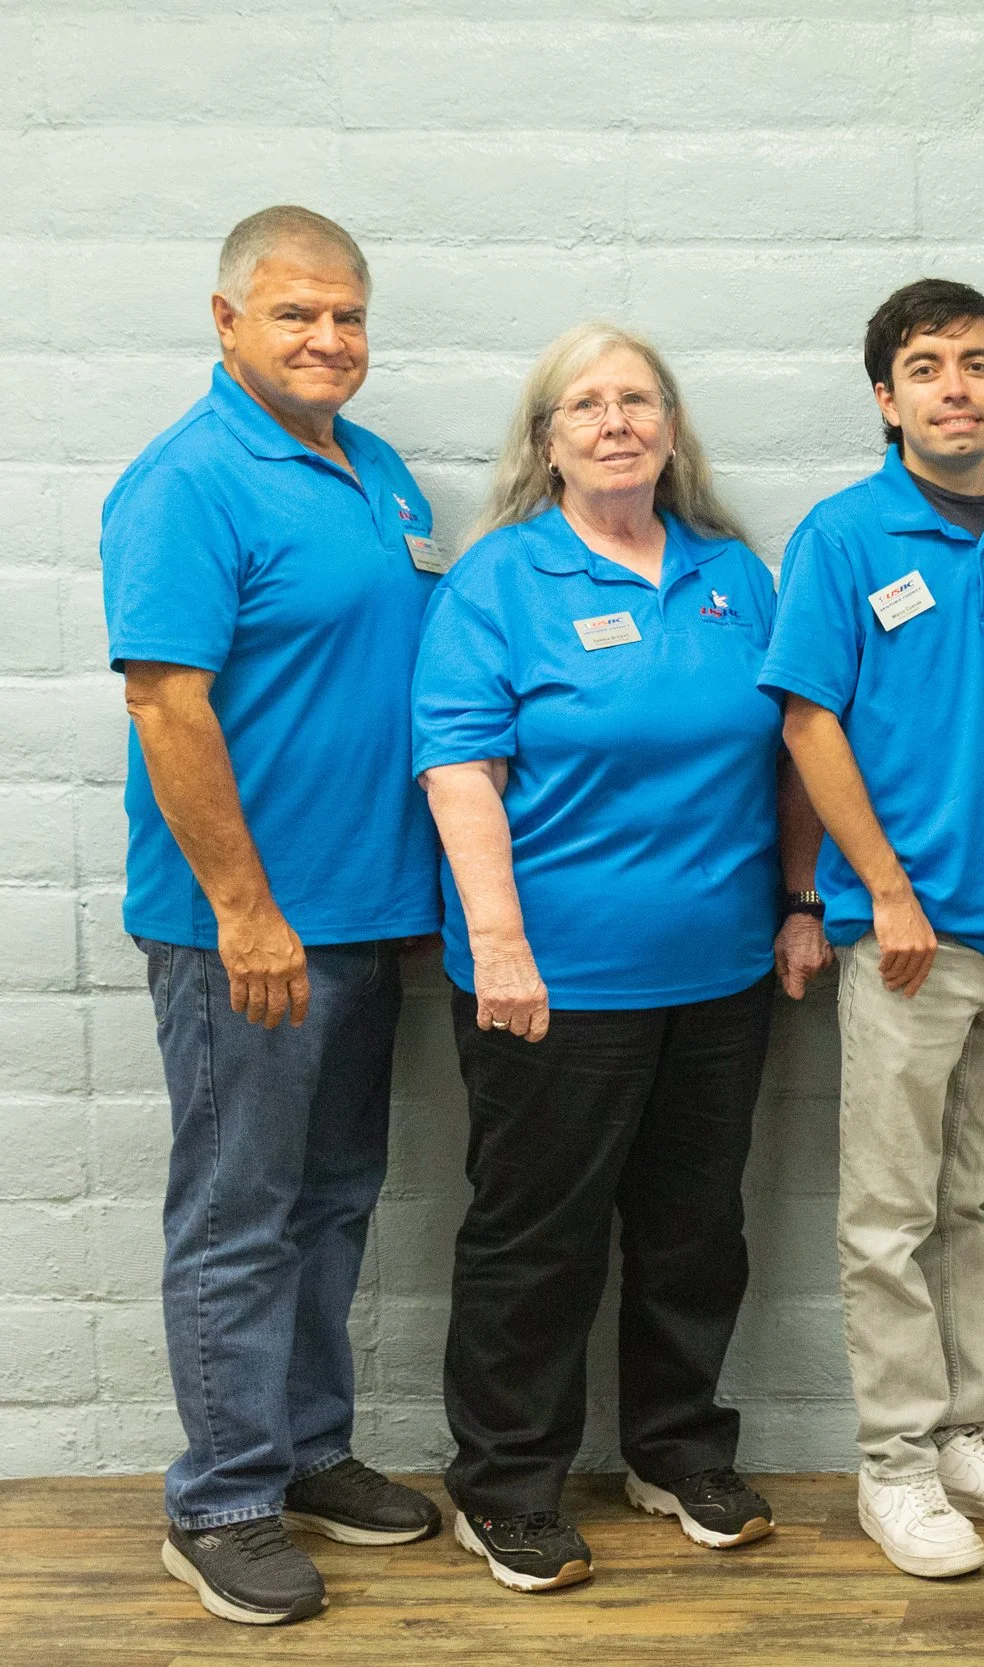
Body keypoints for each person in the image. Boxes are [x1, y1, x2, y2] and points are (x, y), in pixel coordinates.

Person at [412, 322, 826, 1595]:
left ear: (670, 428)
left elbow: (794, 742)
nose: (614, 420)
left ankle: (676, 1447)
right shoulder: (498, 580)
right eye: (584, 404)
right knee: (537, 1242)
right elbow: (459, 768)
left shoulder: (731, 575)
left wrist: (801, 897)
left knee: (696, 1229)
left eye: (637, 399)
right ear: (547, 440)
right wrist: (499, 943)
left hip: (718, 978)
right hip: (551, 986)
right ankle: (506, 1486)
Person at [103, 206, 446, 1627]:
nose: (328, 339)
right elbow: (164, 701)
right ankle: (224, 1497)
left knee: (334, 1197)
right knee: (241, 1211)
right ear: (227, 318)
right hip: (244, 933)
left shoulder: (375, 471)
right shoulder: (186, 482)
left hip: (367, 919)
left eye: (348, 315)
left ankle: (307, 1447)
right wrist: (246, 911)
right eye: (297, 313)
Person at [761, 279, 984, 1579]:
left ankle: (966, 1436)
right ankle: (893, 1464)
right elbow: (807, 721)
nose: (952, 385)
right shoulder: (845, 539)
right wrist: (882, 889)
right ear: (885, 397)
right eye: (924, 365)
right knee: (886, 1215)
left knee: (969, 1199)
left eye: (974, 363)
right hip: (904, 939)